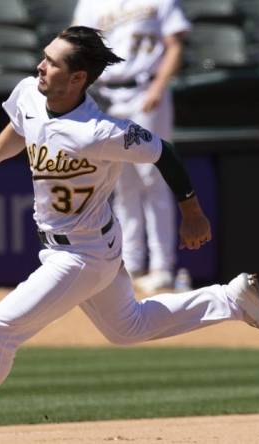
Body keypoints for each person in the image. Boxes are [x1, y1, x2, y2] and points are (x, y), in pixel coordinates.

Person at [0, 26, 259, 444]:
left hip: (83, 254)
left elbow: (163, 152)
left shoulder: (98, 130)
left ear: (78, 78)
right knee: (128, 328)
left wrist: (192, 212)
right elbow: (20, 126)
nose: (40, 66)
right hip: (80, 244)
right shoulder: (30, 92)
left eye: (52, 62)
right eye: (44, 57)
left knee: (2, 327)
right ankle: (230, 299)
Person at [72, 0, 191, 292]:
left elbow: (175, 44)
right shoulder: (90, 4)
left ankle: (162, 267)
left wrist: (159, 87)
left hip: (146, 91)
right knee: (121, 183)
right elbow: (77, 47)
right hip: (107, 96)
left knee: (154, 177)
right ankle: (131, 264)